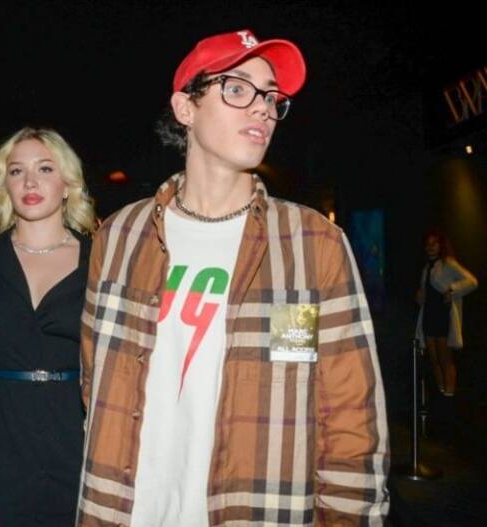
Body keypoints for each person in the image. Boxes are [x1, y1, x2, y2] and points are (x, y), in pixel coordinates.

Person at [77, 30, 390, 525]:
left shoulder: (313, 244)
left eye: (271, 97)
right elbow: (94, 384)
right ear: (185, 108)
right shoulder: (120, 237)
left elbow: (352, 416)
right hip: (127, 510)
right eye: (238, 88)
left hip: (258, 508)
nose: (263, 108)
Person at [0, 127, 96, 526]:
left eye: (45, 168)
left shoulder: (101, 261)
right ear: (4, 184)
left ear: (68, 183)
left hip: (74, 430)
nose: (30, 182)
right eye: (17, 171)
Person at [415, 229, 478, 396]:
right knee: (434, 359)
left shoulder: (448, 263)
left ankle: (449, 396)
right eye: (428, 244)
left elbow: (472, 281)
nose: (430, 247)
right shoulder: (426, 268)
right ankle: (442, 391)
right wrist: (420, 296)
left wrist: (452, 289)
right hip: (429, 315)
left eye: (434, 243)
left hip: (443, 315)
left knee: (445, 359)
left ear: (440, 245)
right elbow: (425, 291)